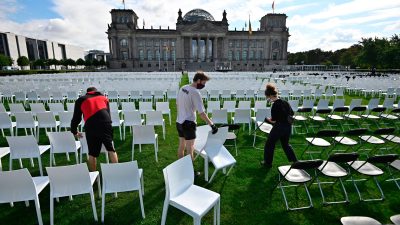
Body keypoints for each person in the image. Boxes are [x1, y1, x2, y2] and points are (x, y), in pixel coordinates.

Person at [71, 87, 118, 171]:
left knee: (92, 153)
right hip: (105, 123)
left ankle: (94, 176)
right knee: (111, 149)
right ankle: (116, 172)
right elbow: (108, 114)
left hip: (91, 125)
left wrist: (74, 131)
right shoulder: (104, 98)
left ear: (87, 93)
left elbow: (76, 118)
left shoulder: (80, 100)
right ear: (96, 92)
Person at [176, 71, 218, 160]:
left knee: (181, 145)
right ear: (198, 80)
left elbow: (177, 104)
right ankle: (191, 171)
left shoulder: (183, 88)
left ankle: (182, 166)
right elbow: (202, 113)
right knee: (190, 148)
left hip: (179, 122)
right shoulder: (195, 92)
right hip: (188, 123)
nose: (204, 85)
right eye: (204, 82)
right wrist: (212, 125)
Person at [260, 83, 297, 168]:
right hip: (288, 127)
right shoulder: (285, 102)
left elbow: (273, 121)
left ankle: (268, 163)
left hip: (279, 127)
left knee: (269, 144)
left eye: (267, 97)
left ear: (270, 96)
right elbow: (292, 113)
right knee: (286, 144)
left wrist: (267, 119)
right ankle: (295, 161)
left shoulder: (275, 105)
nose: (267, 99)